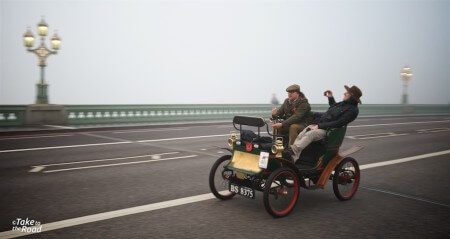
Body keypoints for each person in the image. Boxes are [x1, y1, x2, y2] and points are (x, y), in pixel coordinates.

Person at [287, 85, 363, 162]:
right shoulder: (343, 104)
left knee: (311, 134)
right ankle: (294, 157)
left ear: (351, 95)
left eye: (347, 93)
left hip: (329, 131)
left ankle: (293, 151)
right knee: (302, 133)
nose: (344, 93)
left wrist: (319, 126)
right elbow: (332, 109)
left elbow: (339, 122)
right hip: (322, 126)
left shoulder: (353, 110)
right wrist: (330, 97)